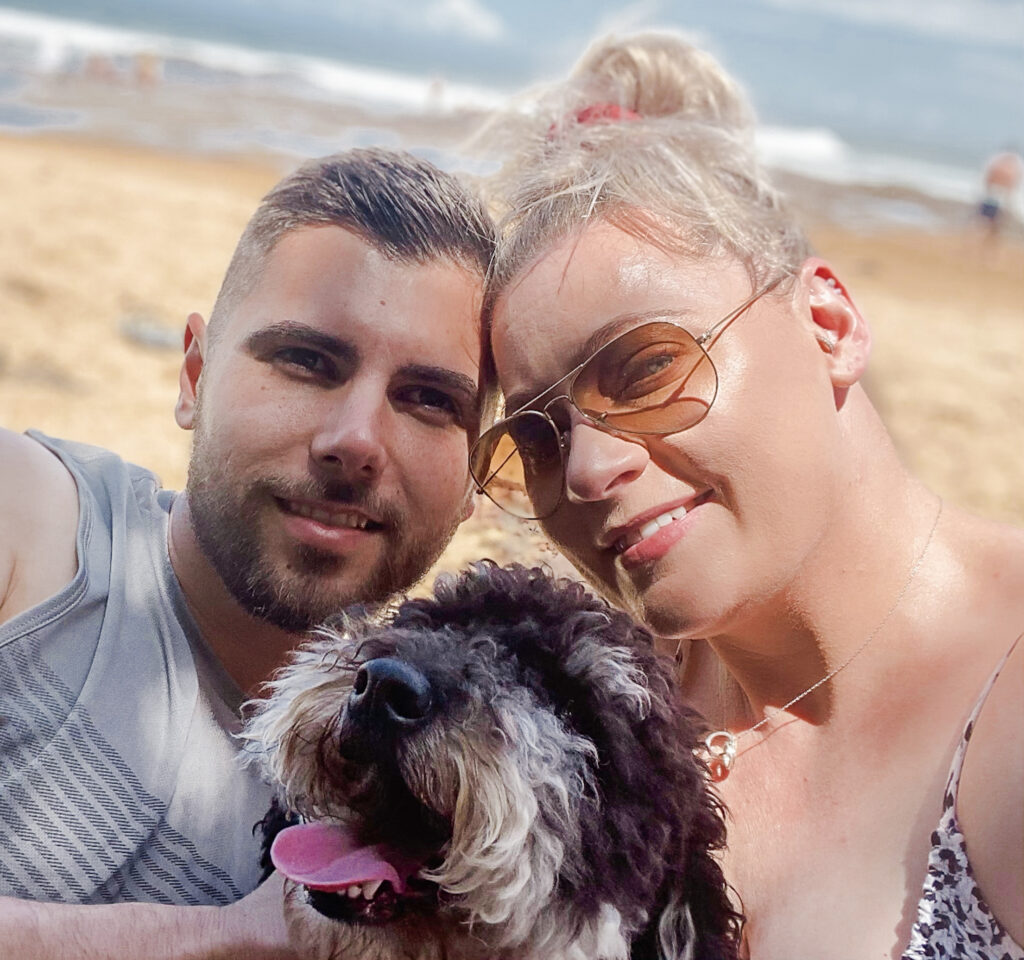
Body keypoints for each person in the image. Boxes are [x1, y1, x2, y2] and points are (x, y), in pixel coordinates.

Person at [471, 33, 1024, 959]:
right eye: (536, 435)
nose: (588, 471)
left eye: (647, 367)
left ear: (828, 322)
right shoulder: (601, 714)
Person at [0, 147, 494, 958]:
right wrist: (220, 937)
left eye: (430, 400)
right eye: (307, 361)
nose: (355, 442)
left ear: (479, 472)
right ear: (193, 375)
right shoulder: (34, 527)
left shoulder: (427, 774)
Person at [977, 146, 1023, 242]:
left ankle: (986, 241)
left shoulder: (1001, 165)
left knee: (992, 225)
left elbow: (989, 179)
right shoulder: (1005, 167)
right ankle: (984, 240)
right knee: (987, 223)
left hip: (997, 198)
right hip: (994, 197)